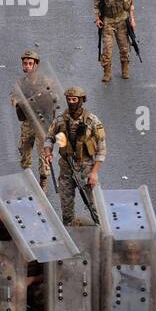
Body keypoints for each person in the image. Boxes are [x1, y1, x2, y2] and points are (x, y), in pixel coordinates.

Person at [43, 88, 106, 225]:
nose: (71, 102)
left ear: (81, 100)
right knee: (66, 207)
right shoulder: (60, 119)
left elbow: (101, 149)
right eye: (69, 99)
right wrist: (48, 153)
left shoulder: (92, 121)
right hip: (66, 167)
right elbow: (49, 138)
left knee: (94, 206)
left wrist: (94, 173)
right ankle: (70, 235)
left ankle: (102, 232)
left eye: (74, 99)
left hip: (86, 168)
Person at [12, 49, 56, 189]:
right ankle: (27, 177)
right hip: (28, 121)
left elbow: (56, 97)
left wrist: (44, 98)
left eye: (30, 63)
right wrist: (19, 102)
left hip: (42, 122)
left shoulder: (45, 81)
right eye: (25, 64)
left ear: (36, 65)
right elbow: (14, 98)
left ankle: (43, 181)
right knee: (24, 149)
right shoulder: (21, 83)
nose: (27, 66)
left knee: (43, 152)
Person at [93, 0, 135, 83]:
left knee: (124, 47)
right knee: (107, 49)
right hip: (108, 21)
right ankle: (107, 72)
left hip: (122, 19)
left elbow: (130, 0)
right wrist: (97, 18)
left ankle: (125, 69)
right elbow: (96, 2)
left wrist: (132, 19)